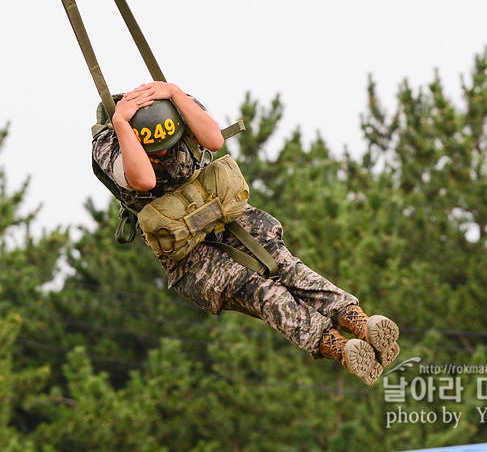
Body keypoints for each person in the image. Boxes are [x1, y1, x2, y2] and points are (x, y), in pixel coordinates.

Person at [91, 81, 400, 385]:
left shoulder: (174, 109)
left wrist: (174, 93)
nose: (166, 154)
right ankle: (341, 348)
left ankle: (359, 322)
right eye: (158, 151)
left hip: (224, 216)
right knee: (261, 291)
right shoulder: (110, 144)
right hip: (189, 254)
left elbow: (213, 140)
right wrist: (121, 122)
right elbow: (143, 180)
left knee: (288, 268)